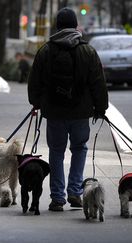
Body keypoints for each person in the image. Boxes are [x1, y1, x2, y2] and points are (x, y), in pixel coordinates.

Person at [27, 8, 108, 211]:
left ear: (57, 26)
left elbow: (35, 81)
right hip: (80, 112)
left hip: (54, 112)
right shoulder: (88, 51)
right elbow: (98, 82)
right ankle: (74, 191)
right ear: (75, 26)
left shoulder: (45, 51)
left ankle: (57, 197)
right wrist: (101, 108)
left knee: (56, 152)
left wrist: (36, 102)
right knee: (79, 149)